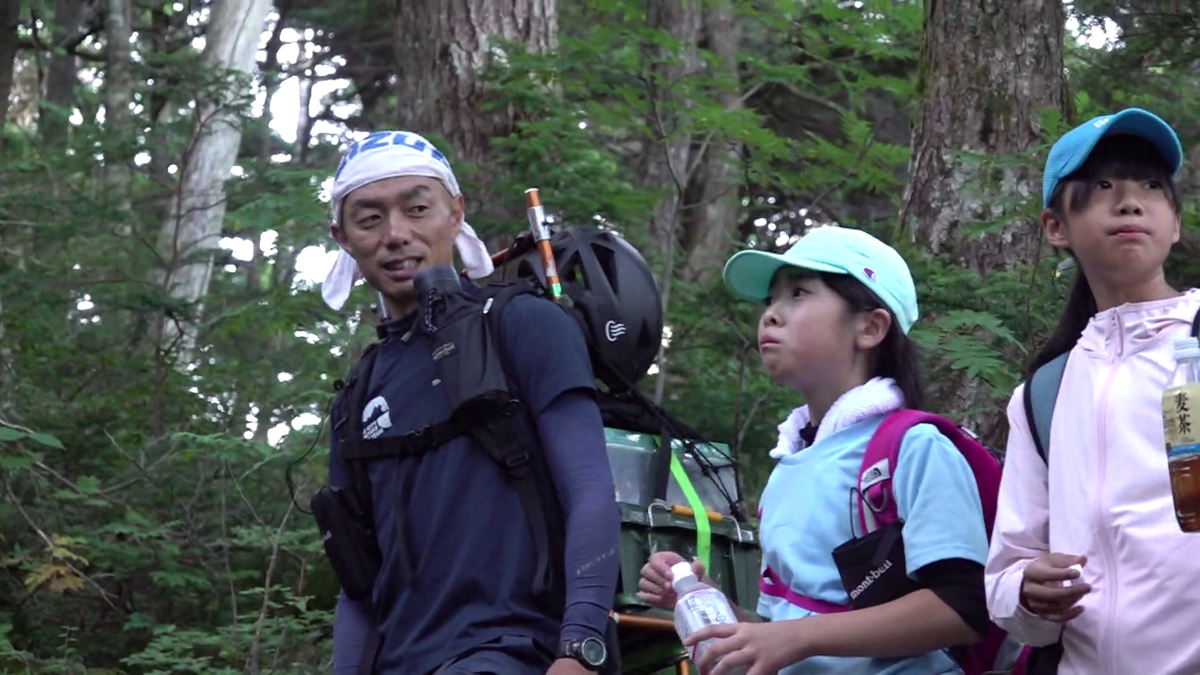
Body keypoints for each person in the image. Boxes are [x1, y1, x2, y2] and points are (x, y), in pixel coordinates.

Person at [319, 130, 621, 675]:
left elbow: (590, 491)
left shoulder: (522, 323)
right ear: (342, 236)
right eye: (369, 219)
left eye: (417, 208)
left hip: (518, 651)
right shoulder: (357, 396)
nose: (396, 234)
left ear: (455, 213)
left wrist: (579, 648)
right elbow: (359, 587)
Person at [638, 227, 990, 674]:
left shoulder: (913, 447)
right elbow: (785, 629)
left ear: (870, 326)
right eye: (769, 301)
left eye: (798, 293)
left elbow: (963, 606)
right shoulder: (789, 464)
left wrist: (794, 638)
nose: (771, 315)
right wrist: (706, 602)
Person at [985, 108, 1200, 674]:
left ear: (1175, 223)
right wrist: (1028, 592)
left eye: (1151, 187)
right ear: (1056, 227)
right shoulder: (1044, 394)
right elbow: (1008, 573)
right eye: (1103, 186)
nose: (1130, 202)